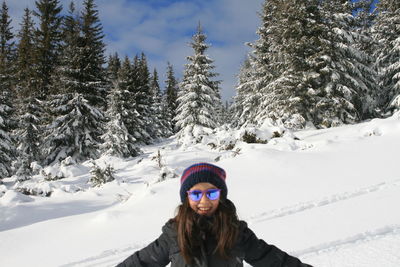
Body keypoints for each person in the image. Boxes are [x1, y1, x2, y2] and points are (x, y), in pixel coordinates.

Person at [117, 162, 312, 267]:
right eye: (195, 194)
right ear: (186, 197)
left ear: (221, 195)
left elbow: (273, 260)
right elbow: (142, 262)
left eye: (211, 193)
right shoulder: (174, 233)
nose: (204, 201)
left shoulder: (237, 232)